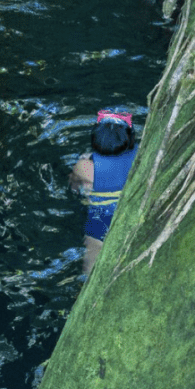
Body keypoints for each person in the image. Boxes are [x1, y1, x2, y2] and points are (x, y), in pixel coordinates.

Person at [70, 111, 138, 275]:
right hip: (132, 210)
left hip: (101, 218)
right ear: (129, 139)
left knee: (93, 260)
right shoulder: (141, 155)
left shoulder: (85, 166)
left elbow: (74, 186)